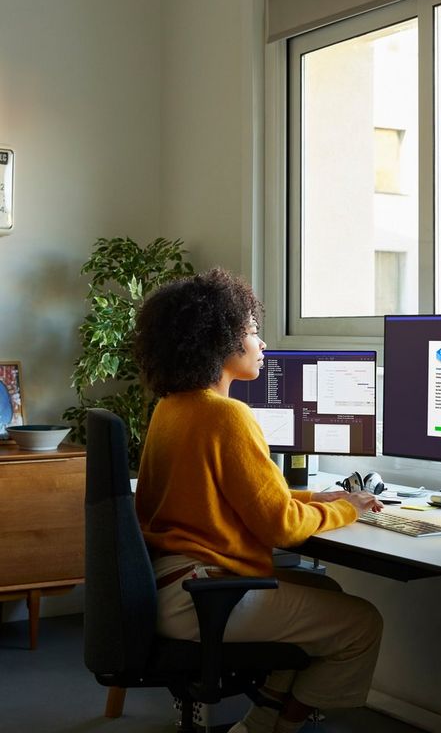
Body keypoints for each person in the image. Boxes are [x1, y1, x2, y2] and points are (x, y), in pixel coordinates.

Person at [133, 267, 384, 733]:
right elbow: (282, 528)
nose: (262, 343)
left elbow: (230, 492)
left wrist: (318, 495)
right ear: (220, 341)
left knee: (324, 593)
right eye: (251, 330)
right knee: (362, 624)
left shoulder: (172, 408)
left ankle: (262, 716)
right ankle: (279, 726)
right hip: (204, 599)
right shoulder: (228, 416)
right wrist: (347, 508)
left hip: (171, 586)